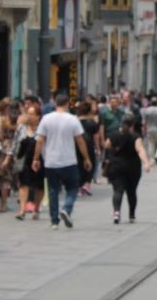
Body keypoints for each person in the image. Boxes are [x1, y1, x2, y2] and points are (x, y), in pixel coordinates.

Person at [32, 94, 93, 230]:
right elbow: (80, 140)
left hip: (50, 162)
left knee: (53, 190)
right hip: (69, 161)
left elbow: (40, 140)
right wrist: (86, 158)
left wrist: (36, 158)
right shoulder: (72, 119)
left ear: (55, 104)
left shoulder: (46, 119)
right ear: (67, 104)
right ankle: (66, 208)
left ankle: (54, 221)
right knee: (73, 187)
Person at [104, 115, 151, 224]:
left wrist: (112, 153)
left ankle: (116, 212)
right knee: (131, 192)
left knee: (118, 190)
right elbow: (140, 150)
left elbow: (107, 146)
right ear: (132, 125)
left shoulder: (113, 135)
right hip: (132, 168)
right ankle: (132, 215)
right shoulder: (135, 137)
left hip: (116, 167)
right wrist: (146, 163)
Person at [13, 105, 44, 220]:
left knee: (38, 187)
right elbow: (15, 143)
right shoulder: (21, 128)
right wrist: (10, 158)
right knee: (23, 184)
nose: (29, 116)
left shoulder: (42, 128)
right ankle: (22, 210)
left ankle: (36, 209)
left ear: (38, 116)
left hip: (39, 160)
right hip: (23, 160)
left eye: (32, 114)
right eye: (28, 114)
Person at [77, 101, 101, 195]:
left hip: (77, 146)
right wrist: (98, 148)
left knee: (79, 165)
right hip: (89, 145)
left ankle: (79, 187)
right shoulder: (93, 123)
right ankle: (87, 184)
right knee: (90, 163)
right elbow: (96, 137)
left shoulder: (75, 121)